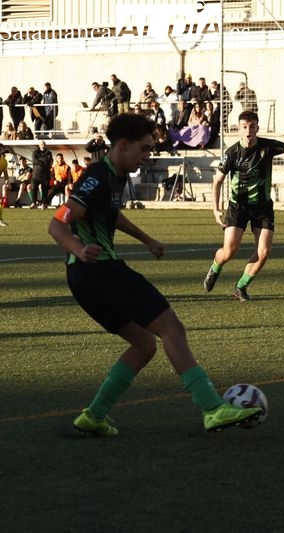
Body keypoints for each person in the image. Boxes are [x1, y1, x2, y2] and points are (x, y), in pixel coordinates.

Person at [47, 113, 263, 436]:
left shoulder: (114, 176)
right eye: (144, 148)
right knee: (171, 327)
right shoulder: (96, 177)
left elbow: (110, 215)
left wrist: (146, 239)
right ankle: (212, 408)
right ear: (123, 145)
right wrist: (78, 249)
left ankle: (94, 415)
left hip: (84, 280)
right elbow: (57, 223)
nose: (148, 155)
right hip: (100, 271)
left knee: (144, 343)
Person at [203, 110, 284, 302]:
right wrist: (216, 209)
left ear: (257, 128)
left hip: (262, 207)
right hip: (238, 206)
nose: (248, 130)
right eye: (244, 127)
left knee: (264, 252)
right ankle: (215, 268)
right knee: (229, 251)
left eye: (252, 126)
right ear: (239, 130)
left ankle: (241, 287)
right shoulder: (232, 153)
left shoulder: (267, 146)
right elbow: (217, 181)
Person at [30, 140, 53, 208]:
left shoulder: (49, 153)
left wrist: (39, 160)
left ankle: (44, 203)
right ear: (39, 145)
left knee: (45, 190)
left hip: (45, 175)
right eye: (41, 144)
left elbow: (48, 161)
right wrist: (42, 161)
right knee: (33, 188)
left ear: (45, 145)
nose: (43, 145)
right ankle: (34, 203)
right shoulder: (35, 152)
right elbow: (34, 160)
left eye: (44, 144)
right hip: (36, 174)